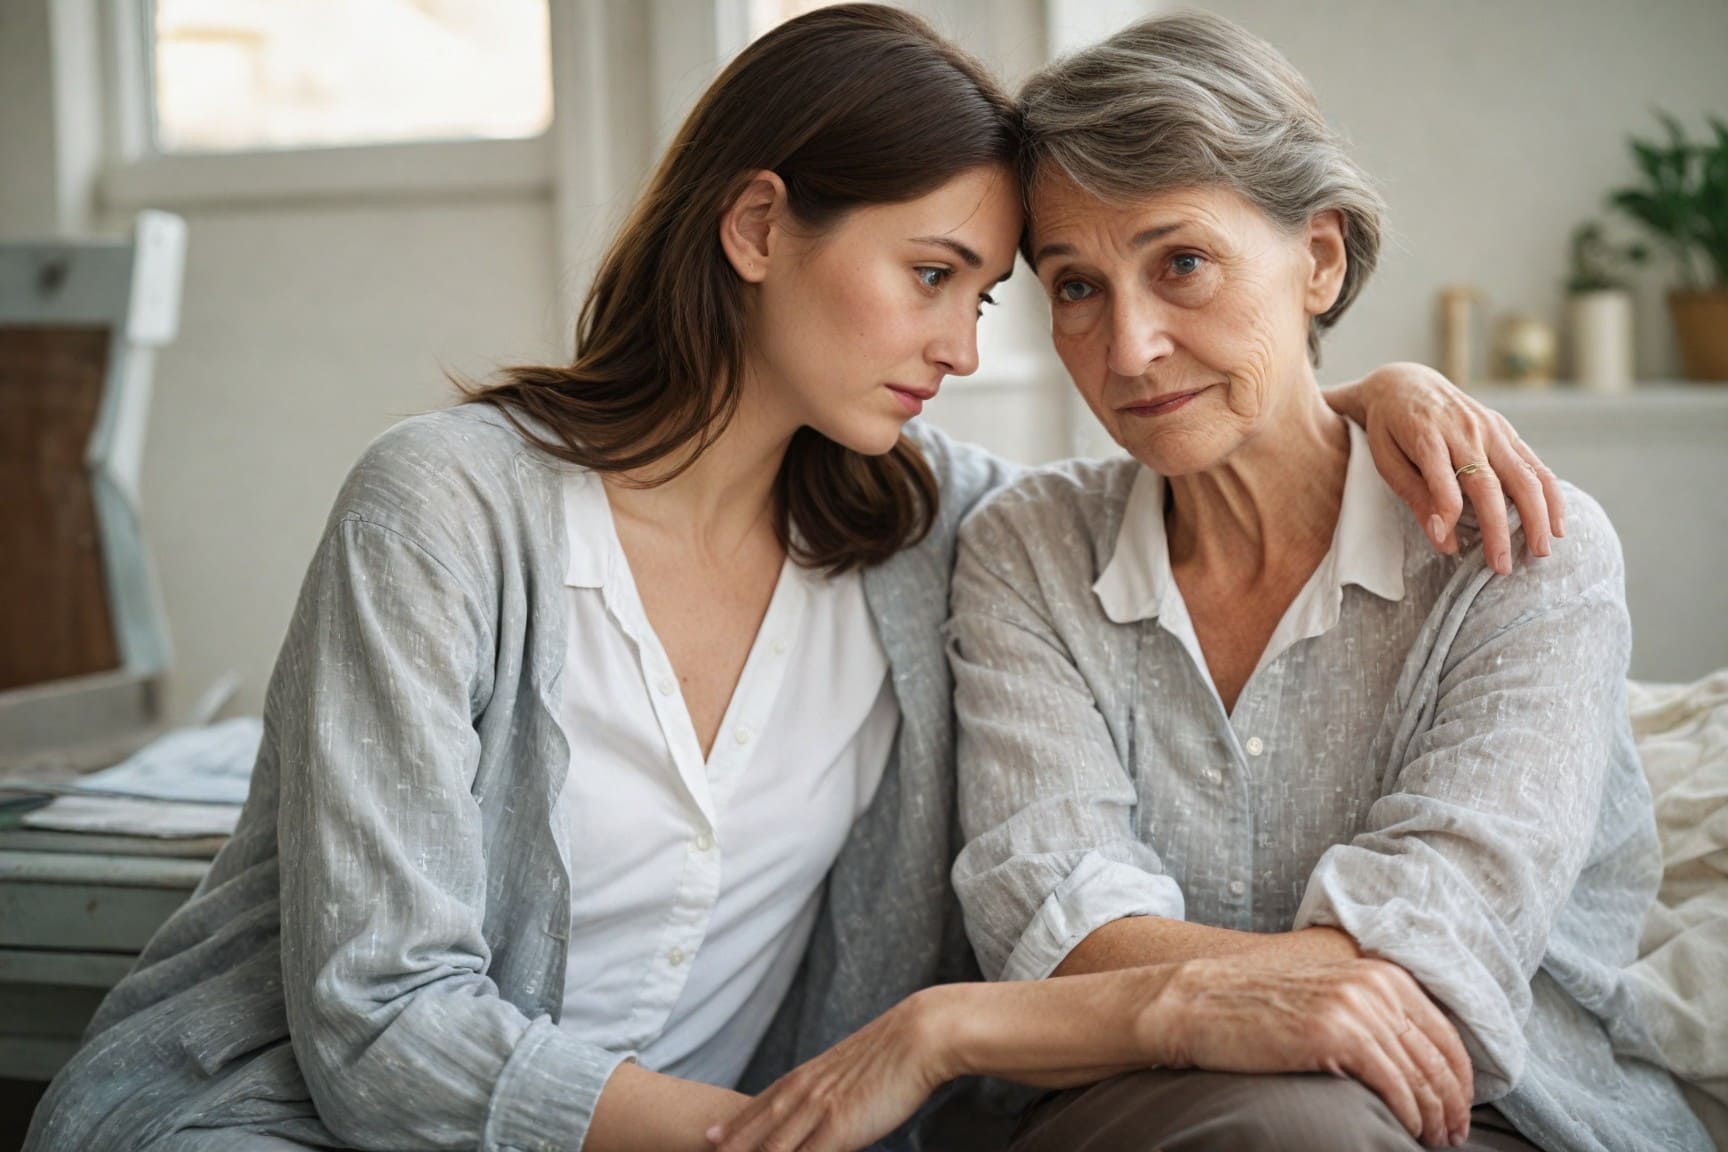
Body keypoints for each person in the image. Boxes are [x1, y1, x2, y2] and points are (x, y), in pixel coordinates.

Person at [25, 7, 1563, 1152]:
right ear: (760, 226)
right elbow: (381, 1028)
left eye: (996, 293)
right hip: (294, 1120)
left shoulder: (938, 532)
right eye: (933, 276)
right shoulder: (445, 508)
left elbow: (1195, 452)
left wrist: (1366, 399)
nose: (971, 347)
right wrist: (777, 1133)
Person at [934, 11, 1712, 1152]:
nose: (1130, 345)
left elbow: (1425, 963)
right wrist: (1230, 1003)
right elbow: (1053, 932)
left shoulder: (1522, 551)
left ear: (1322, 258)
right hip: (1134, 1111)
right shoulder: (1029, 553)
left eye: (1181, 262)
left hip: (1498, 1115)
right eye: (1075, 285)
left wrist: (1118, 993)